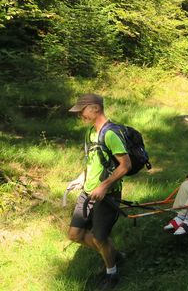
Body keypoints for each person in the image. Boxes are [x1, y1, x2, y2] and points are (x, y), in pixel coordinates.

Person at [66, 94, 131, 289]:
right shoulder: (90, 133)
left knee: (99, 237)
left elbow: (125, 165)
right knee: (74, 234)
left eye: (82, 110)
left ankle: (112, 274)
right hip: (87, 192)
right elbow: (93, 161)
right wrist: (81, 178)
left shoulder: (110, 134)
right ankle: (115, 254)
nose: (80, 115)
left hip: (107, 195)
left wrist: (104, 186)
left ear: (95, 108)